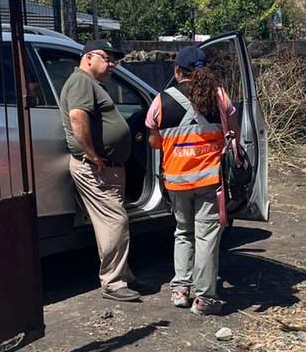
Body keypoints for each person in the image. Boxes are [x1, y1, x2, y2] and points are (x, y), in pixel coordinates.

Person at [146, 45, 239, 315]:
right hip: (210, 179)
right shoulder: (220, 97)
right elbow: (232, 134)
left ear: (177, 70)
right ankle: (205, 299)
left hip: (176, 180)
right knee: (207, 236)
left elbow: (154, 142)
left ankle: (180, 289)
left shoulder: (161, 100)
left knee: (182, 232)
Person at [58, 40, 139, 302]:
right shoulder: (82, 81)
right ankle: (114, 283)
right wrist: (93, 155)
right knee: (115, 222)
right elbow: (77, 117)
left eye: (115, 59)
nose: (113, 63)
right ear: (89, 57)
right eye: (107, 57)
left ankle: (123, 275)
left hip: (106, 168)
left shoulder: (92, 84)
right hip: (96, 168)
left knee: (110, 224)